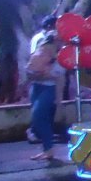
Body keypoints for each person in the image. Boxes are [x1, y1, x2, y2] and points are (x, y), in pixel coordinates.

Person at [25, 30, 63, 162]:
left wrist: (59, 101)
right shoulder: (41, 50)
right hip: (36, 87)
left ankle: (49, 150)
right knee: (38, 120)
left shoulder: (60, 57)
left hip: (48, 88)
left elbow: (59, 78)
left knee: (39, 115)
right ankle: (47, 150)